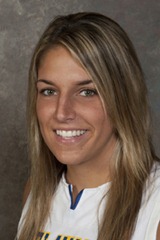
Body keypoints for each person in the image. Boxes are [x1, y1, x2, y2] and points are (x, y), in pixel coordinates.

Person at [16, 12, 160, 240]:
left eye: (87, 92)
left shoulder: (155, 203)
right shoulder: (37, 192)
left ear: (123, 97)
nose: (62, 112)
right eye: (49, 91)